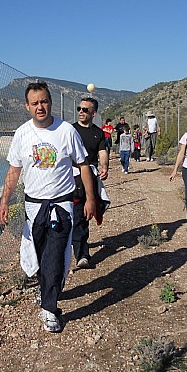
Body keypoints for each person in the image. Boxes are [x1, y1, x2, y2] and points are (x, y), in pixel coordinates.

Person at [0, 82, 96, 333]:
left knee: (54, 257)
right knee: (40, 257)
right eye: (35, 103)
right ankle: (47, 291)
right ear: (27, 106)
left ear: (50, 102)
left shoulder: (66, 131)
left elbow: (83, 165)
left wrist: (90, 199)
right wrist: (4, 201)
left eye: (44, 101)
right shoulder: (22, 134)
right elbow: (14, 171)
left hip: (61, 205)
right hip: (33, 208)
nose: (40, 107)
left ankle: (50, 309)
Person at [72, 97, 109, 269]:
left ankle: (82, 255)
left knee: (81, 216)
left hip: (86, 180)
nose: (81, 111)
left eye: (85, 109)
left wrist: (104, 166)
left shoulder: (98, 133)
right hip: (67, 179)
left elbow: (102, 152)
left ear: (93, 113)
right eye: (79, 108)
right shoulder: (70, 130)